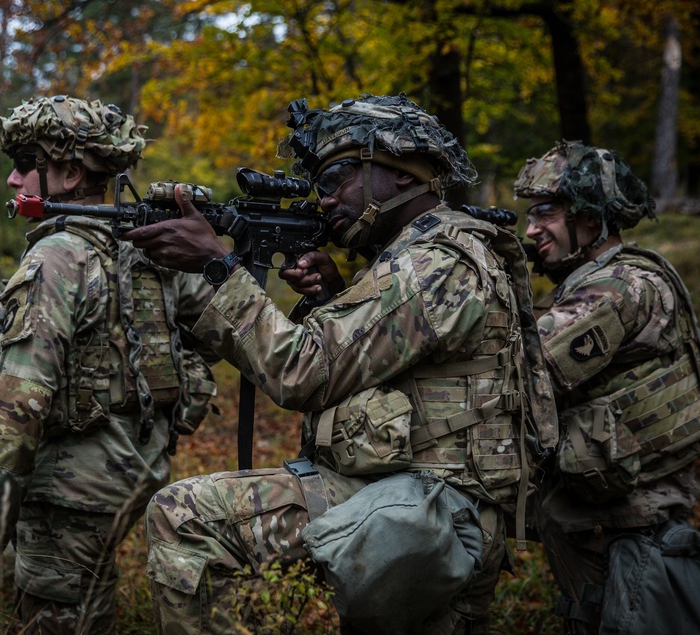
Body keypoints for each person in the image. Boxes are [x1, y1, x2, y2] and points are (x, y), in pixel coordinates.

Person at [123, 93, 556, 635]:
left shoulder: (435, 264)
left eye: (336, 180)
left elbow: (300, 371)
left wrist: (218, 268)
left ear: (400, 174)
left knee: (183, 515)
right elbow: (383, 362)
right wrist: (332, 293)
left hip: (434, 510)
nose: (324, 201)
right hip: (411, 499)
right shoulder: (423, 255)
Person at [0, 95, 220, 634]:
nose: (12, 179)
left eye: (26, 163)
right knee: (92, 608)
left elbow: (20, 404)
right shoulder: (153, 247)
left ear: (70, 172)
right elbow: (216, 334)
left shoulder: (57, 256)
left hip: (69, 489)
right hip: (135, 471)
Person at [515, 141, 700, 634]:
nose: (530, 228)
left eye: (546, 212)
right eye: (530, 215)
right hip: (611, 517)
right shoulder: (601, 282)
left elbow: (523, 369)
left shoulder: (616, 289)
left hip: (628, 529)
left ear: (591, 219)